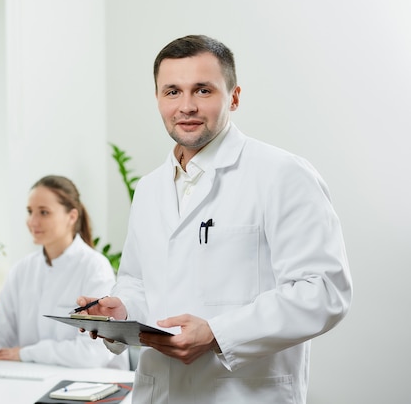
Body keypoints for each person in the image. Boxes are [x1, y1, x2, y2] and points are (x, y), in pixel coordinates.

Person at [77, 35, 353, 403]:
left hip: (243, 393)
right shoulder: (149, 189)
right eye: (172, 91)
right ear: (158, 98)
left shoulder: (282, 174)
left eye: (203, 90)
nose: (186, 106)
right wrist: (122, 309)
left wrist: (218, 333)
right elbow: (138, 281)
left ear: (234, 97)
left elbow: (323, 290)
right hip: (159, 392)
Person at [0, 175, 127, 369]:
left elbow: (93, 352)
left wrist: (26, 353)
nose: (32, 221)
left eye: (44, 212)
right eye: (29, 211)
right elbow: (0, 331)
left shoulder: (94, 267)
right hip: (36, 376)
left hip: (91, 384)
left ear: (72, 216)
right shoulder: (22, 270)